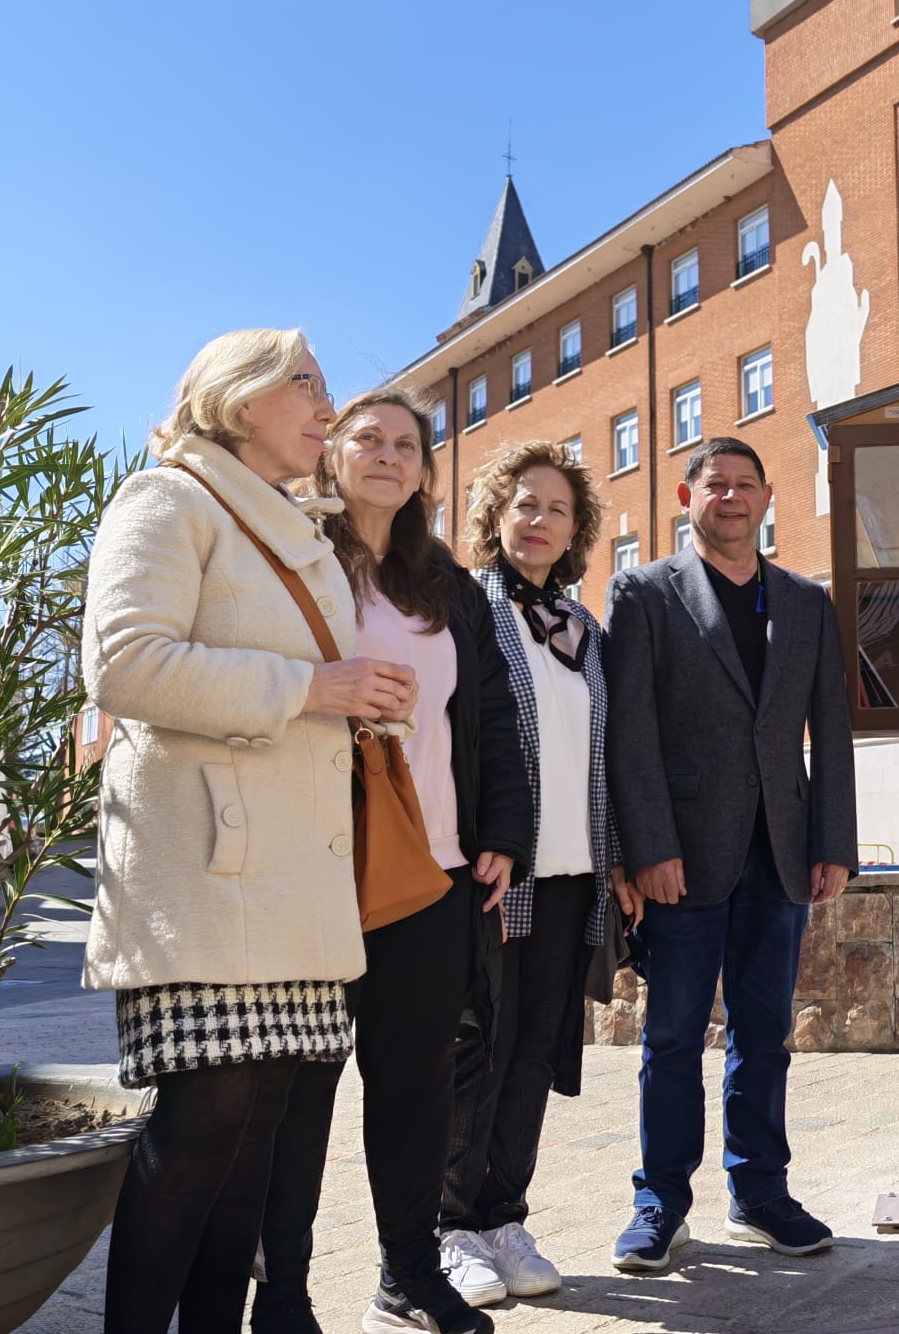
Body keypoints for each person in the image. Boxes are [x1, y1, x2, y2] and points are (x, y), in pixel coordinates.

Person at [83, 330, 415, 1334]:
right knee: (201, 1134)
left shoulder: (291, 529)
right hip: (207, 873)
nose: (327, 406)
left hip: (290, 880)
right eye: (305, 383)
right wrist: (314, 689)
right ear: (236, 400)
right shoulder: (167, 499)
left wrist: (354, 702)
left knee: (254, 1143)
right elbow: (125, 665)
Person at [257, 389, 531, 1334]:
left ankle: (409, 1276)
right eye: (366, 438)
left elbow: (491, 714)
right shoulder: (293, 559)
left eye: (406, 444)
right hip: (314, 864)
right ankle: (281, 1296)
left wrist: (505, 831)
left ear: (424, 471)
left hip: (434, 872)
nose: (386, 454)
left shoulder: (445, 583)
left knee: (415, 1088)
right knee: (300, 1091)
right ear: (329, 454)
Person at [602, 436, 857, 1271]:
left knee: (766, 1034)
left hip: (780, 853)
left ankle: (760, 1194)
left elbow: (831, 729)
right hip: (681, 855)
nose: (733, 497)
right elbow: (629, 730)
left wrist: (833, 841)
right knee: (673, 1036)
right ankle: (660, 1204)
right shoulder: (644, 592)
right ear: (687, 496)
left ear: (767, 498)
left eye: (747, 485)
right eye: (717, 484)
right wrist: (648, 845)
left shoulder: (805, 601)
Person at [436, 440, 643, 1303]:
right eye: (525, 503)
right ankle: (448, 1229)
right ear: (495, 514)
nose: (539, 520)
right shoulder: (462, 611)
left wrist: (618, 858)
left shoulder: (584, 629)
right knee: (475, 1049)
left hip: (572, 875)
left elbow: (604, 755)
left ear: (575, 530)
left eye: (557, 509)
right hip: (495, 872)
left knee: (534, 1051)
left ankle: (504, 1217)